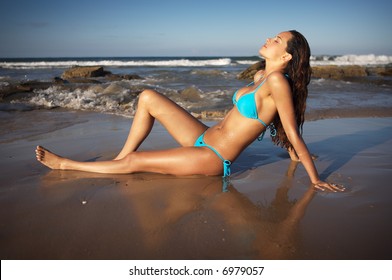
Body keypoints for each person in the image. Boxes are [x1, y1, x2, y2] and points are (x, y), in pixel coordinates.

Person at [36, 30, 344, 192]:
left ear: (287, 55)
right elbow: (275, 121)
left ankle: (64, 164)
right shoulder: (261, 76)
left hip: (214, 158)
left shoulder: (278, 81)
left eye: (275, 40)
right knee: (147, 97)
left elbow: (290, 128)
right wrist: (289, 153)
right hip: (203, 137)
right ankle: (118, 159)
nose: (268, 39)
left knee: (137, 162)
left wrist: (314, 178)